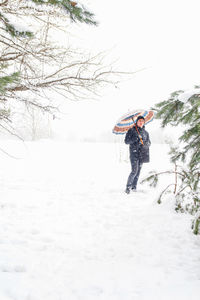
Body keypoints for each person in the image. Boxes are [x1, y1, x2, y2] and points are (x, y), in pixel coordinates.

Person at [124, 116, 151, 194]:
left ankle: (134, 187)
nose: (141, 122)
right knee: (134, 171)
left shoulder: (146, 133)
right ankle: (128, 187)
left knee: (138, 172)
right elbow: (126, 141)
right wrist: (135, 139)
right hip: (134, 153)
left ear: (144, 122)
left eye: (142, 121)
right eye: (139, 121)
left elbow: (149, 143)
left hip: (142, 154)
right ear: (136, 122)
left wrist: (145, 144)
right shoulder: (131, 130)